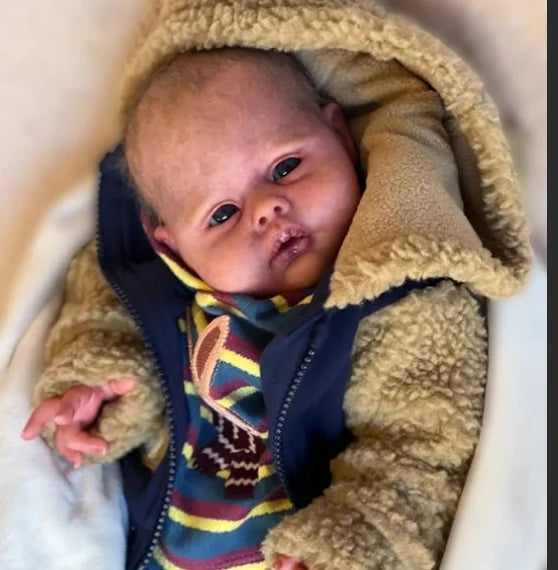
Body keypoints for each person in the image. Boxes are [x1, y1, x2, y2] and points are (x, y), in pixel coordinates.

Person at [21, 1, 531, 569]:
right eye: (222, 214)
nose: (267, 209)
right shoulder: (163, 289)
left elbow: (422, 454)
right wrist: (97, 392)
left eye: (286, 167)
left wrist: (352, 545)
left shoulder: (406, 304)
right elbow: (101, 318)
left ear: (341, 137)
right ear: (173, 247)